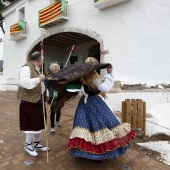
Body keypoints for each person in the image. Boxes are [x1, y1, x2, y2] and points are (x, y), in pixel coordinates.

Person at [68, 57, 136, 162]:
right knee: (97, 126)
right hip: (94, 103)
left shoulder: (83, 75)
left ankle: (87, 151)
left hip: (85, 103)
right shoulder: (94, 76)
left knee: (87, 126)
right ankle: (97, 154)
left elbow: (81, 90)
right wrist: (109, 74)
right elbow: (104, 88)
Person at [17, 51, 49, 157]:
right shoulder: (26, 68)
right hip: (29, 102)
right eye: (42, 59)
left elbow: (41, 85)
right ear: (39, 59)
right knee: (30, 125)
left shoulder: (37, 70)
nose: (43, 61)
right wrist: (38, 79)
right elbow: (23, 82)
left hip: (38, 101)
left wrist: (46, 93)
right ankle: (27, 145)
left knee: (38, 124)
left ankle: (36, 144)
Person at [45, 62, 62, 135]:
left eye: (57, 69)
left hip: (59, 96)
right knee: (52, 112)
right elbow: (45, 84)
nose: (56, 70)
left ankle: (57, 121)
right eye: (55, 69)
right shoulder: (49, 76)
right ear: (52, 69)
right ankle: (52, 127)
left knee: (58, 110)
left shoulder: (61, 76)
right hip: (52, 97)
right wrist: (48, 79)